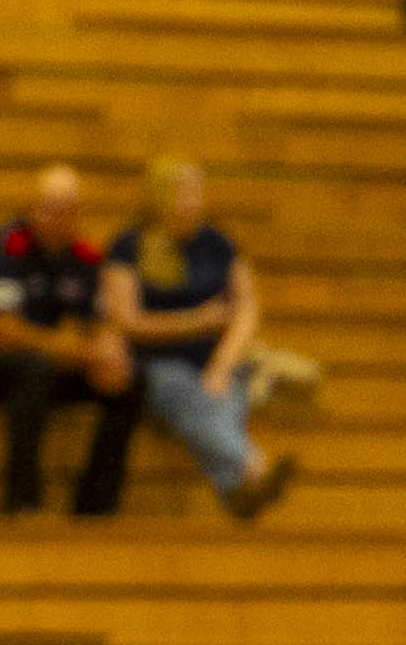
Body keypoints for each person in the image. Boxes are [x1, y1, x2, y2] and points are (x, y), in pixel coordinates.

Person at [0, 165, 139, 520]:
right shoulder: (3, 249)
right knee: (34, 371)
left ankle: (97, 505)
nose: (59, 219)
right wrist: (78, 352)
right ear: (30, 208)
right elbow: (4, 334)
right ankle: (21, 502)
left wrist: (109, 351)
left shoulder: (84, 257)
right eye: (50, 208)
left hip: (37, 362)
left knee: (130, 379)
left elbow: (100, 323)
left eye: (68, 210)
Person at [105, 157, 300, 521]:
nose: (193, 201)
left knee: (220, 397)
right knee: (184, 392)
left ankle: (239, 493)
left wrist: (222, 365)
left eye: (197, 192)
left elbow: (247, 308)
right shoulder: (129, 246)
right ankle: (253, 465)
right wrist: (195, 321)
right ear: (160, 198)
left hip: (215, 359)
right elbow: (127, 321)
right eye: (184, 193)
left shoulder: (219, 243)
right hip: (157, 361)